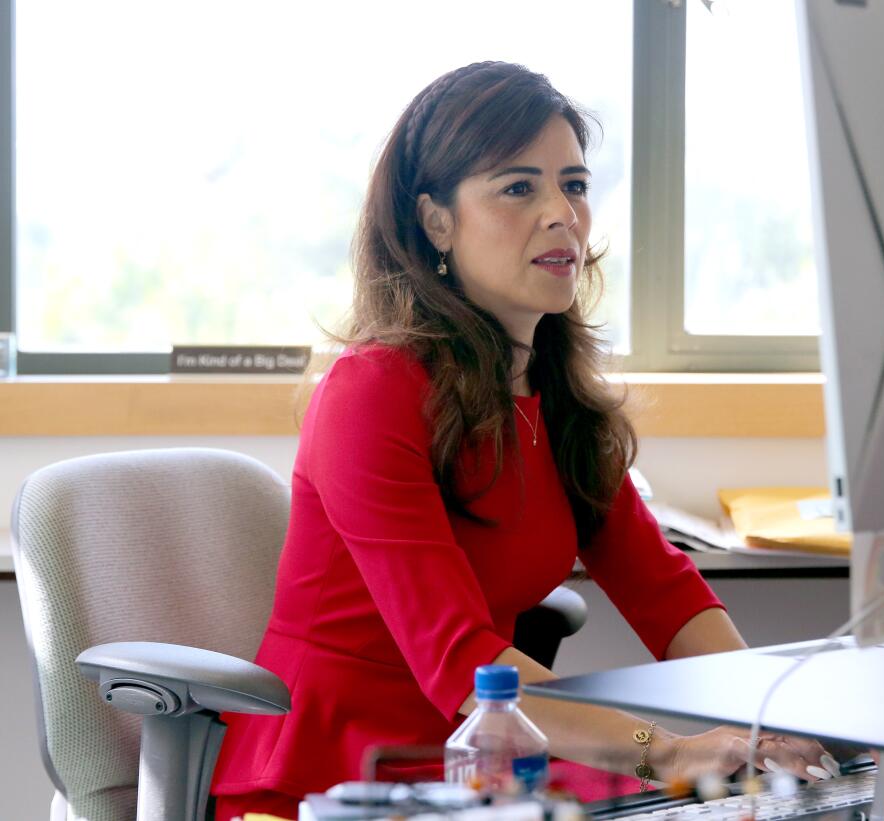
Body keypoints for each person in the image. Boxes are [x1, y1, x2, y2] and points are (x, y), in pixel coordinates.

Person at [211, 61, 833, 821]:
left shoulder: (558, 393)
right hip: (332, 778)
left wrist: (774, 720)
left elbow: (663, 592)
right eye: (518, 187)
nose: (561, 214)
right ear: (436, 219)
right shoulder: (370, 393)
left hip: (481, 760)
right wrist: (669, 749)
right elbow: (459, 661)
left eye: (573, 184)